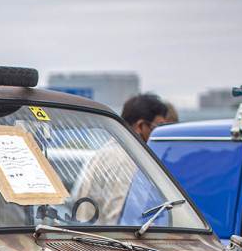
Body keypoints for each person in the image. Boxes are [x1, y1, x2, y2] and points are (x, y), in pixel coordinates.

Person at [71, 93, 170, 222]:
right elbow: (119, 215)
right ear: (140, 126)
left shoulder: (110, 151)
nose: (159, 133)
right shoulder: (124, 159)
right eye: (159, 126)